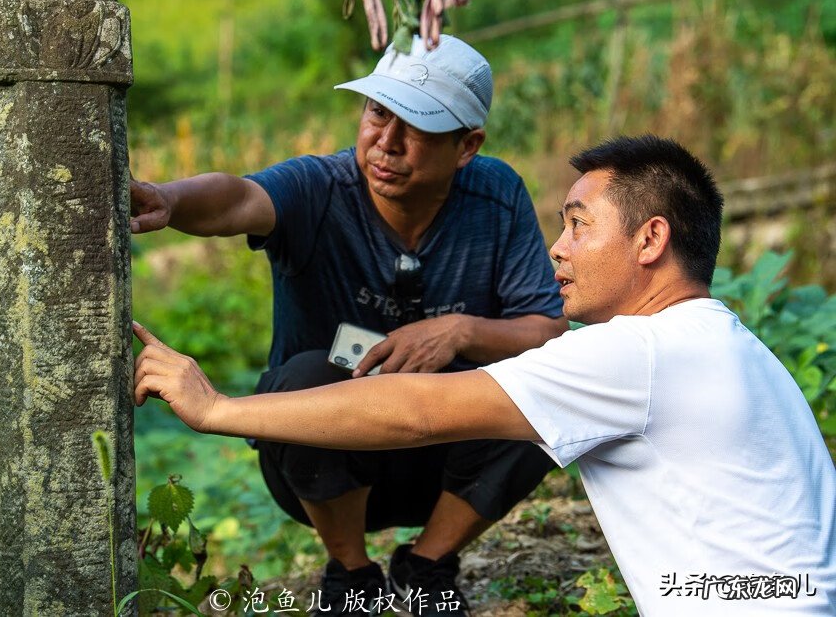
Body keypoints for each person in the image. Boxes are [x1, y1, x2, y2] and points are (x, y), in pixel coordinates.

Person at [132, 135, 836, 617]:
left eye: (579, 225)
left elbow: (415, 411)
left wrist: (216, 407)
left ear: (651, 239)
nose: (557, 249)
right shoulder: (733, 347)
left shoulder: (638, 354)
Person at [130, 34, 568, 615]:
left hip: (444, 453)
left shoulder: (497, 196)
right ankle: (352, 575)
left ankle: (428, 566)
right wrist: (169, 200)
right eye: (377, 113)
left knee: (554, 389)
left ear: (467, 146)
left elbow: (546, 329)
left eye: (416, 126)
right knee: (307, 372)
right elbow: (240, 199)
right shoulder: (321, 188)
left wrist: (460, 330)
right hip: (320, 456)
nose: (386, 143)